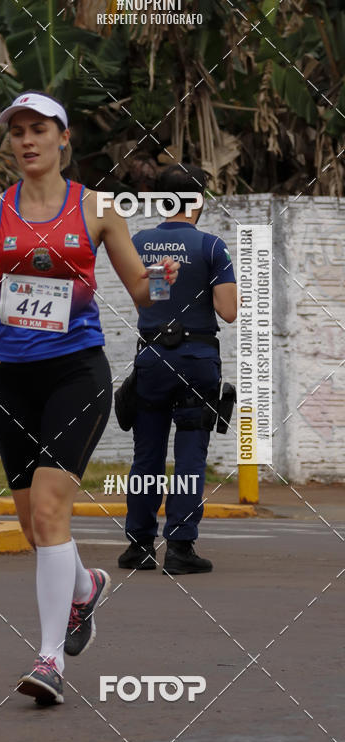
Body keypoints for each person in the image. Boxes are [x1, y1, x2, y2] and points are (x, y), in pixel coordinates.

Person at [0, 91, 179, 706]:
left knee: (50, 512)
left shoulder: (96, 208)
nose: (27, 140)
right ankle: (85, 587)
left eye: (39, 129)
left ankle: (49, 661)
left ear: (62, 138)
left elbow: (139, 292)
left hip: (77, 373)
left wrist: (159, 280)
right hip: (10, 379)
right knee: (32, 525)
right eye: (17, 130)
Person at [117, 164, 237, 575]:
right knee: (189, 455)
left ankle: (139, 546)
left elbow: (148, 300)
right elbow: (229, 310)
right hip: (196, 360)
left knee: (146, 455)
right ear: (198, 200)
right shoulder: (211, 246)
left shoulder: (140, 243)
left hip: (151, 358)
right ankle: (181, 549)